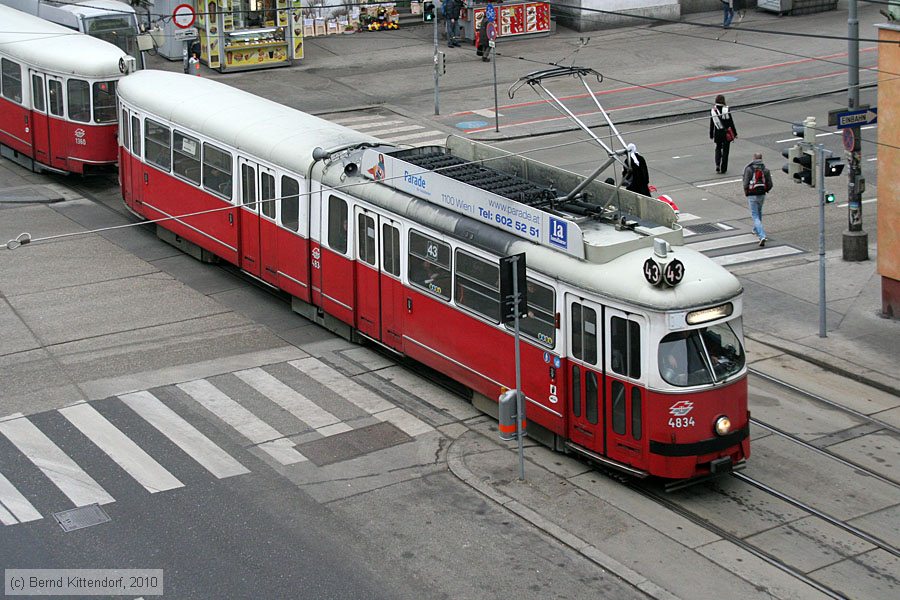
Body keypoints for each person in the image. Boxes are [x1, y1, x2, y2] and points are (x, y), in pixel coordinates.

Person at [742, 152, 773, 247]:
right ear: (761, 158)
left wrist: (746, 192)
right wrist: (765, 190)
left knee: (755, 215)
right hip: (761, 194)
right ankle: (756, 229)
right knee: (759, 212)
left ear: (754, 158)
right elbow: (770, 184)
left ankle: (762, 235)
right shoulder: (765, 170)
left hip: (752, 194)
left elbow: (745, 183)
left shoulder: (749, 169)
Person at [709, 94, 736, 173]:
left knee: (718, 148)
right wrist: (735, 133)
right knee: (726, 150)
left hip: (717, 132)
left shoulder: (713, 110)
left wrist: (711, 134)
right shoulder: (726, 109)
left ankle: (717, 164)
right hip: (726, 132)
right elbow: (731, 122)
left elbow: (712, 123)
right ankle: (723, 168)